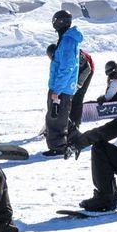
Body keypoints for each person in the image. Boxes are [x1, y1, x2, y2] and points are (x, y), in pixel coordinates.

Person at [44, 10, 85, 153]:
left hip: (62, 87)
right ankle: (76, 138)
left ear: (60, 22)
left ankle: (58, 147)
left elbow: (67, 67)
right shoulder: (66, 39)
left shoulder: (67, 40)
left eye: (55, 21)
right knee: (60, 115)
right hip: (61, 86)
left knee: (55, 118)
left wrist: (57, 89)